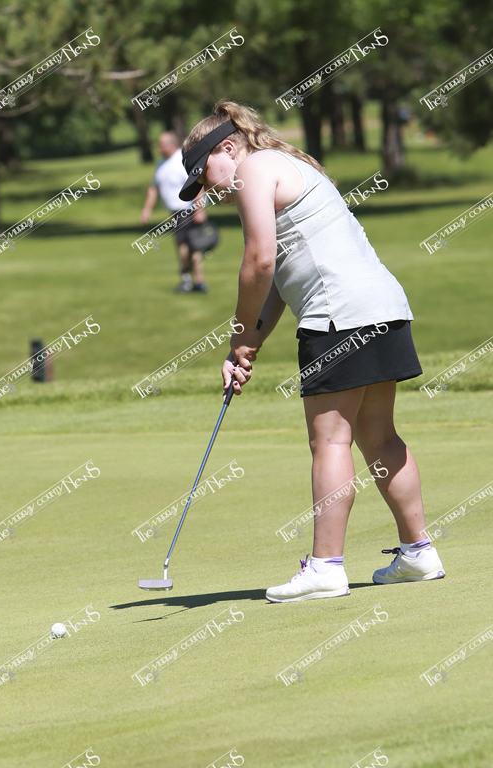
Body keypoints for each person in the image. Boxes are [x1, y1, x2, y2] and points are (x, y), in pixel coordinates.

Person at [178, 101, 445, 603]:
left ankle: (325, 567)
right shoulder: (286, 164)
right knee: (378, 436)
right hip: (381, 308)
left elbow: (258, 262)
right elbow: (281, 279)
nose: (210, 191)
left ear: (228, 148)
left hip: (338, 316)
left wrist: (238, 334)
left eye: (204, 175)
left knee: (330, 442)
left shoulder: (255, 169)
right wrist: (248, 344)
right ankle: (418, 552)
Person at [140, 131, 208, 293]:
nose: (159, 148)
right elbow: (153, 188)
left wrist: (199, 210)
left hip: (187, 210)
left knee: (186, 246)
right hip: (176, 212)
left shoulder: (182, 160)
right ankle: (197, 281)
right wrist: (147, 209)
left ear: (172, 144)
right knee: (190, 246)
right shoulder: (161, 164)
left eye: (162, 144)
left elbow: (197, 185)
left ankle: (190, 280)